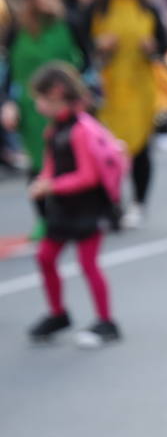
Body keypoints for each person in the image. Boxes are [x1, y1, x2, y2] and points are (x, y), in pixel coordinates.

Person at [26, 62, 127, 348]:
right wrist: (44, 181)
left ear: (58, 93)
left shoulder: (82, 129)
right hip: (62, 207)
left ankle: (107, 321)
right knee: (45, 257)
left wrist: (52, 185)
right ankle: (58, 313)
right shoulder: (54, 129)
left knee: (88, 263)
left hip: (87, 207)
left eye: (42, 98)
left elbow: (88, 175)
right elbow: (51, 164)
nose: (38, 104)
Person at [86, 0, 167, 230]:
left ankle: (139, 202)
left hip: (140, 87)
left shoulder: (149, 9)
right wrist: (99, 48)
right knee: (105, 151)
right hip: (107, 90)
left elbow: (164, 46)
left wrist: (153, 50)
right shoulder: (96, 10)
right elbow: (81, 49)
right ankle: (110, 203)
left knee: (139, 148)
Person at [2, 0, 89, 238]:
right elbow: (8, 71)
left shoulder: (70, 22)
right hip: (34, 109)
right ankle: (45, 219)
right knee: (39, 164)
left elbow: (86, 61)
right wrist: (7, 103)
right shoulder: (17, 30)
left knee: (74, 161)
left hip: (67, 105)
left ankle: (83, 214)